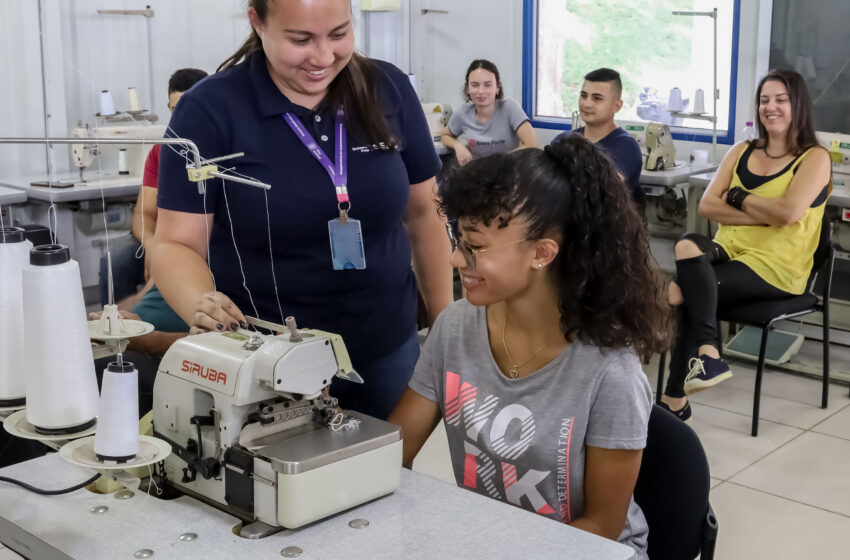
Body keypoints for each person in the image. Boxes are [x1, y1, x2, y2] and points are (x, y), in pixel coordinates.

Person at [152, 0, 453, 420]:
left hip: (388, 349)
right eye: (301, 39)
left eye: (339, 34)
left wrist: (445, 333)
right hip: (268, 364)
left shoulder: (388, 87)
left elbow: (424, 215)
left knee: (391, 478)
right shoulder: (210, 110)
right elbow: (175, 243)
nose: (323, 57)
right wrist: (205, 306)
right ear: (257, 22)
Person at [389, 135, 671, 558]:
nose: (455, 260)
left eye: (476, 247)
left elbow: (601, 529)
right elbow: (395, 453)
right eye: (458, 241)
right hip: (494, 541)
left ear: (543, 252)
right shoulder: (457, 327)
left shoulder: (609, 372)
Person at [662, 69, 832, 421]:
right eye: (764, 100)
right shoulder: (741, 150)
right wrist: (766, 213)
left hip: (777, 268)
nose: (771, 107)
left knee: (683, 293)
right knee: (686, 244)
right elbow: (707, 206)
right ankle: (707, 355)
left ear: (797, 105)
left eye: (781, 100)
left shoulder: (815, 158)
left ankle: (674, 399)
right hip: (729, 252)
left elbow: (787, 213)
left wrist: (737, 197)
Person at [129, 67, 208, 335]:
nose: (185, 118)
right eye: (176, 110)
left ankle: (140, 327)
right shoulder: (163, 151)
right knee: (118, 260)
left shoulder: (224, 150)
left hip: (203, 244)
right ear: (167, 107)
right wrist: (153, 246)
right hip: (171, 241)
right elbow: (144, 216)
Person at [554, 68, 644, 207]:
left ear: (617, 106)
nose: (586, 103)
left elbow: (600, 192)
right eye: (583, 96)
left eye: (597, 98)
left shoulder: (626, 147)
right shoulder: (562, 141)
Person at [441, 59, 539, 165]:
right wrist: (458, 146)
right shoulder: (462, 113)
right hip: (476, 174)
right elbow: (445, 135)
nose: (481, 91)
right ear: (468, 88)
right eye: (475, 85)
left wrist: (495, 163)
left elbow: (533, 145)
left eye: (487, 85)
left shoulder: (510, 108)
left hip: (507, 173)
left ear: (497, 87)